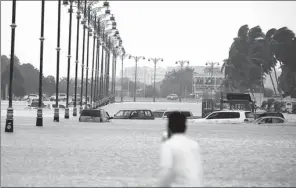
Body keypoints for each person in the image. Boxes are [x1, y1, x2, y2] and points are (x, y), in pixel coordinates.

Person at [158, 111, 203, 187]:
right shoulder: (194, 144)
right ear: (185, 126)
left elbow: (166, 172)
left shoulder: (169, 145)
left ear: (169, 126)